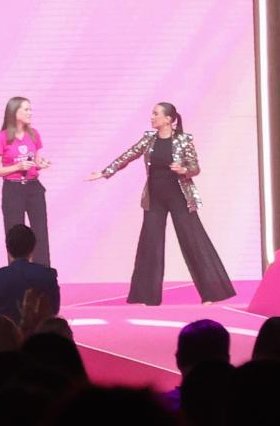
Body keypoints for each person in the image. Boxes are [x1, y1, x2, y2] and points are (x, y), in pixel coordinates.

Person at [99, 100, 236, 304]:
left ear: (168, 119)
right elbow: (128, 155)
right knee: (150, 244)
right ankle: (147, 296)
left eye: (156, 114)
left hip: (179, 197)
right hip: (155, 198)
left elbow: (195, 167)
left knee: (194, 241)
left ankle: (212, 293)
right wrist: (105, 172)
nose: (152, 117)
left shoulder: (183, 140)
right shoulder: (149, 139)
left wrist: (184, 170)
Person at [0, 94, 53, 265]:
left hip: (33, 187)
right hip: (13, 189)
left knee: (40, 231)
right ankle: (16, 274)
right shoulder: (1, 138)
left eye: (30, 109)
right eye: (26, 109)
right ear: (14, 112)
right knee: (15, 233)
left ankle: (43, 272)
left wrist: (41, 164)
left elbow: (36, 160)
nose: (29, 113)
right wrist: (17, 167)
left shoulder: (33, 135)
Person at [0, 221, 61, 336]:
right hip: (40, 344)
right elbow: (53, 311)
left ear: (7, 248)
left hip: (4, 344)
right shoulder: (47, 275)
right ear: (33, 248)